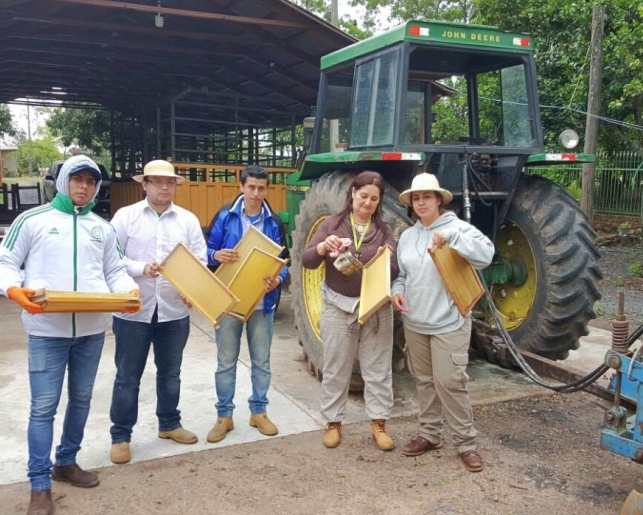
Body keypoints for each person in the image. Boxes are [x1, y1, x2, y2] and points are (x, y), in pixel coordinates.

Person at [0, 155, 139, 515]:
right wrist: (14, 290)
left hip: (91, 330)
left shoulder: (101, 228)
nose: (84, 186)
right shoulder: (33, 220)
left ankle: (66, 461)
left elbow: (115, 271)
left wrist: (129, 290)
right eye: (78, 179)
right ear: (62, 182)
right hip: (47, 332)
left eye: (91, 181)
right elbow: (5, 264)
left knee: (82, 399)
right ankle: (39, 484)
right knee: (43, 408)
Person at [391, 172, 494, 473]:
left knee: (450, 382)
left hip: (450, 320)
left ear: (439, 199)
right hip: (416, 320)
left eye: (427, 197)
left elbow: (486, 254)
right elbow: (403, 275)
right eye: (416, 198)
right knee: (424, 381)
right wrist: (397, 292)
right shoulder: (408, 236)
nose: (421, 202)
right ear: (411, 203)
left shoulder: (458, 228)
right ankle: (429, 434)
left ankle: (466, 444)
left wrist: (454, 239)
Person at [108, 160, 207, 464]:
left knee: (170, 374)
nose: (165, 188)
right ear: (145, 185)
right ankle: (121, 435)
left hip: (174, 313)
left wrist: (194, 290)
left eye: (170, 182)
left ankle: (169, 424)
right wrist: (141, 268)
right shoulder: (126, 217)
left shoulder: (187, 221)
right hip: (134, 312)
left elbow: (199, 261)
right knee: (127, 377)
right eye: (158, 182)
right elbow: (109, 260)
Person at [301, 171, 399, 450]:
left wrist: (387, 257)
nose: (367, 203)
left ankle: (379, 424)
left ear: (379, 203)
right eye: (363, 196)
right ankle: (333, 423)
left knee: (378, 369)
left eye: (374, 199)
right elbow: (307, 261)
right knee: (335, 368)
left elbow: (394, 271)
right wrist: (322, 246)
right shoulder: (332, 225)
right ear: (353, 193)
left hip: (375, 308)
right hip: (337, 306)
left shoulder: (385, 230)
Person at [205, 164, 289, 443]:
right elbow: (205, 250)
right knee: (225, 362)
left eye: (261, 188)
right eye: (251, 187)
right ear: (241, 186)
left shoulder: (274, 222)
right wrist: (217, 255)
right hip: (228, 302)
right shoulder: (224, 216)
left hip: (261, 304)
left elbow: (284, 262)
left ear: (267, 189)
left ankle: (259, 412)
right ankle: (224, 416)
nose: (256, 193)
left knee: (261, 362)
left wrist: (277, 280)